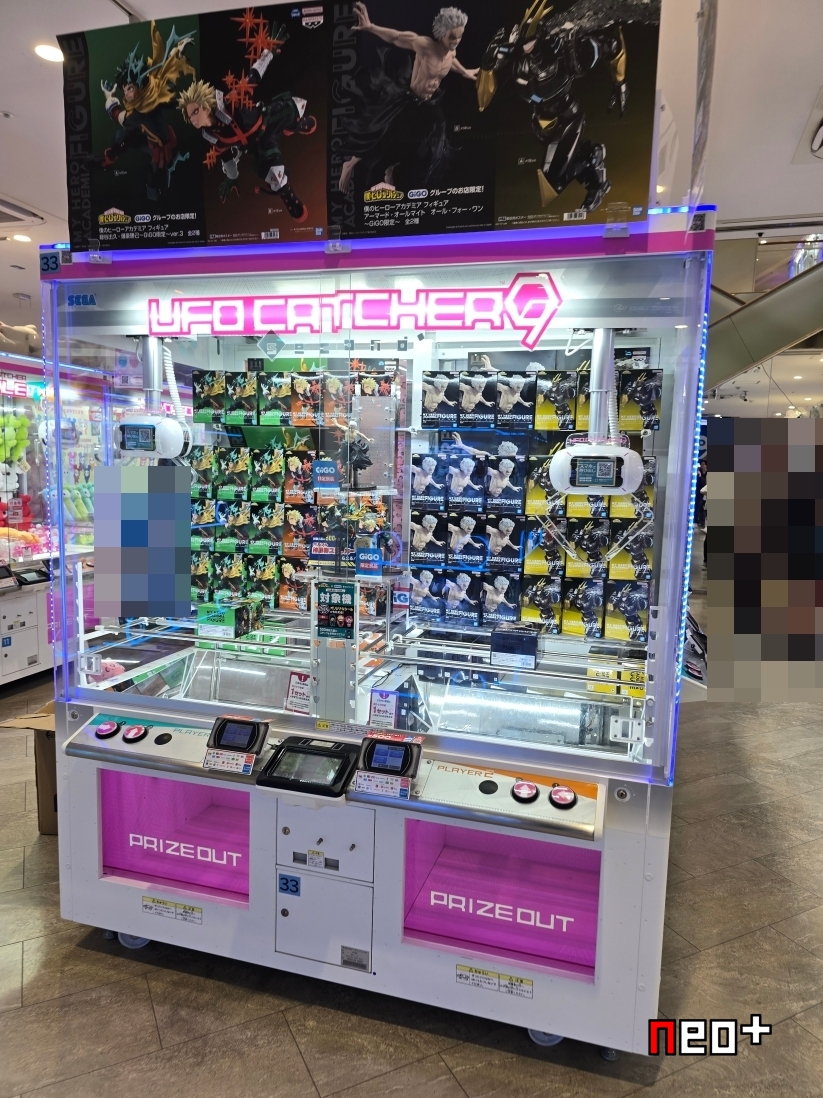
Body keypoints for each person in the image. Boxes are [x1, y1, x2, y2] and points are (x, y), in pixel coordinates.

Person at [339, 4, 478, 195]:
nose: (456, 41)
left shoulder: (451, 52)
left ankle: (392, 168)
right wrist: (371, 27)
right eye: (451, 37)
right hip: (409, 102)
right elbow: (396, 37)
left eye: (459, 37)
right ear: (441, 33)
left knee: (428, 139)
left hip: (428, 104)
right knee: (382, 135)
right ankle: (350, 164)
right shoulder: (425, 46)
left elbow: (451, 61)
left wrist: (464, 72)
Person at [177, 38, 316, 221]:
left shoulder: (231, 103)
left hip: (269, 120)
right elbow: (226, 156)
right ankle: (287, 194)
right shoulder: (211, 135)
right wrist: (232, 176)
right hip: (259, 146)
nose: (193, 119)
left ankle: (295, 125)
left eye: (195, 112)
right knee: (276, 177)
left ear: (205, 106)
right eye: (189, 116)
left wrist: (268, 54)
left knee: (296, 106)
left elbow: (252, 78)